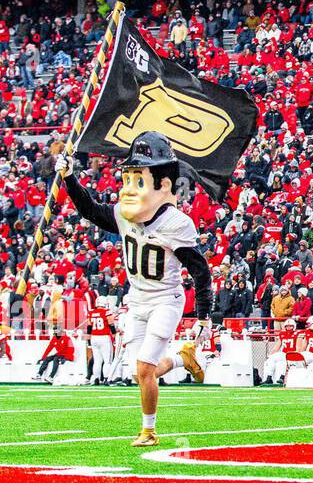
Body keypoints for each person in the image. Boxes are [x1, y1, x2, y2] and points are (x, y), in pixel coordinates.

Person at [56, 132, 212, 446]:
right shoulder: (124, 216)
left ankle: (149, 431)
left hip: (165, 299)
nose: (129, 188)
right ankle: (184, 359)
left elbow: (200, 271)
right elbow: (89, 210)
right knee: (140, 372)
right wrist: (69, 178)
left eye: (139, 179)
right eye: (128, 178)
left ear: (163, 185)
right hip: (136, 299)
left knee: (144, 369)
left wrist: (204, 317)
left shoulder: (175, 223)